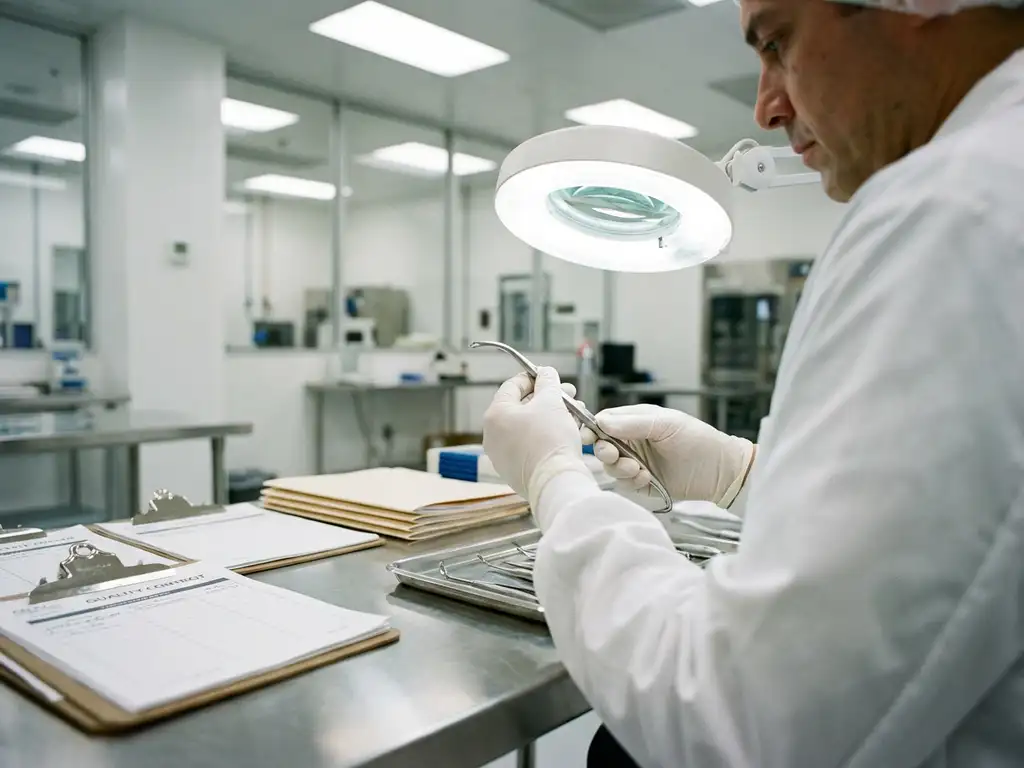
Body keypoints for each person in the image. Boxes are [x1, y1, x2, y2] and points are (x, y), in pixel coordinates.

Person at [480, 0, 1024, 765]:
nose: (766, 106)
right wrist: (738, 473)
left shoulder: (956, 211)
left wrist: (556, 483)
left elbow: (736, 719)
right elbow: (960, 518)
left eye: (777, 42)